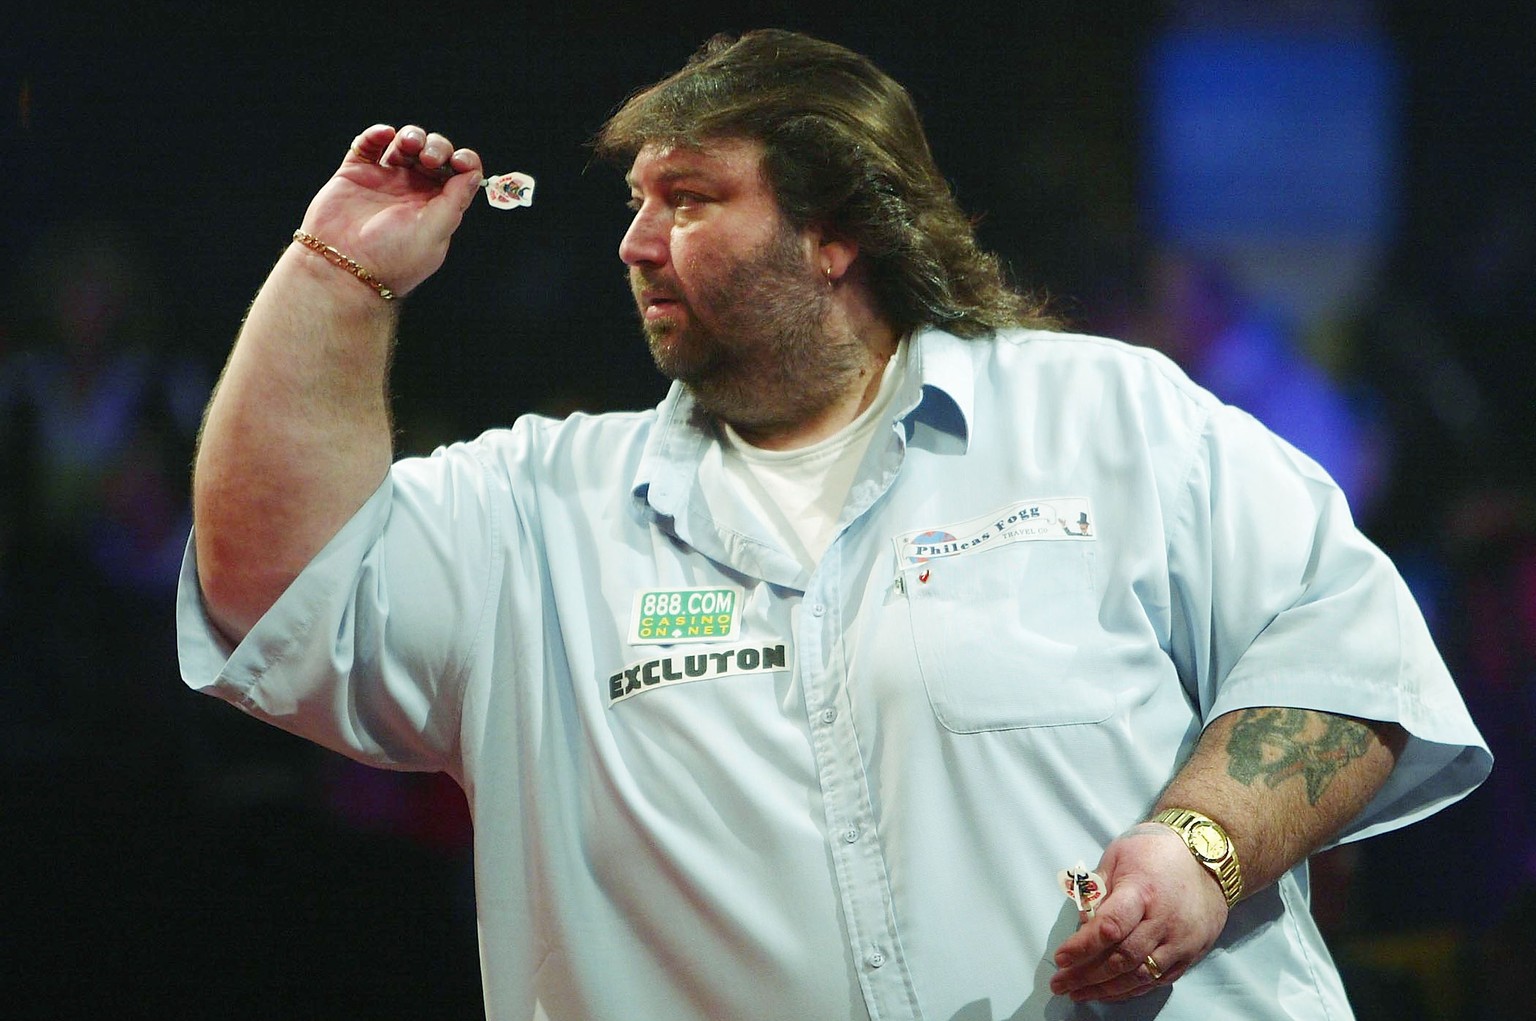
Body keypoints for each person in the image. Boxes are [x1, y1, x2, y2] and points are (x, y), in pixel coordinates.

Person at [178, 29, 1490, 1021]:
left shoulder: (1112, 416)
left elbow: (1340, 666)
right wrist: (335, 276)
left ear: (840, 230)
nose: (635, 241)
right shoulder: (534, 513)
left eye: (688, 199)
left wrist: (1202, 850)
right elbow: (279, 592)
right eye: (634, 201)